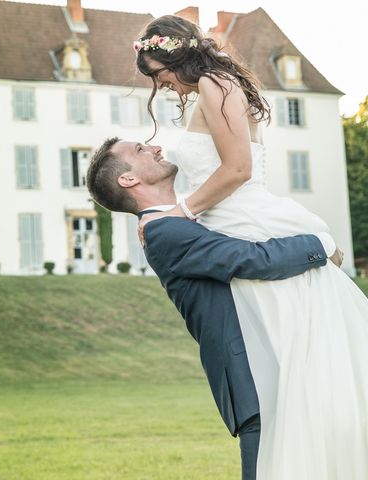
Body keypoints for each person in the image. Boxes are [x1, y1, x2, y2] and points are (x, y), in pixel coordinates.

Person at [127, 15, 368, 479]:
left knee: (296, 354)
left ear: (179, 56)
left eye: (160, 72)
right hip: (230, 220)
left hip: (247, 221)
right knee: (282, 363)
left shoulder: (216, 85)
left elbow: (236, 169)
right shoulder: (215, 88)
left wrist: (184, 211)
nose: (162, 84)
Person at [86, 138, 341, 479]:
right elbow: (254, 259)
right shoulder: (163, 231)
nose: (156, 148)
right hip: (253, 378)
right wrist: (322, 244)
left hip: (277, 364)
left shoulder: (187, 217)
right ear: (128, 179)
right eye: (141, 150)